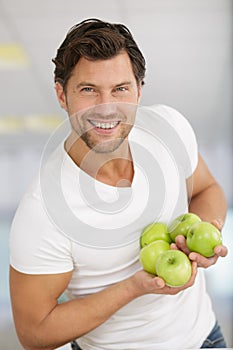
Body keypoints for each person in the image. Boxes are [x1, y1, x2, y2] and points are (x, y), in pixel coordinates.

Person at [9, 18, 228, 350]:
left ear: (139, 91)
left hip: (203, 337)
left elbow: (205, 189)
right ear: (61, 94)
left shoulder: (169, 129)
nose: (107, 107)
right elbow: (34, 332)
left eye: (120, 89)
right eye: (88, 90)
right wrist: (135, 287)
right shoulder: (42, 208)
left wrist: (204, 236)